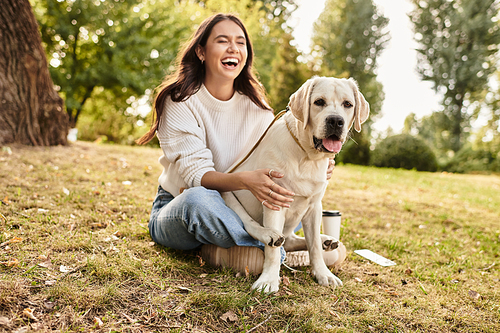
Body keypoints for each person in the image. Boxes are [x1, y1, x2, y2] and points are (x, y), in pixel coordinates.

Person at [137, 13, 335, 258]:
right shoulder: (179, 100)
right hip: (182, 207)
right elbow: (196, 176)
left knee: (288, 203)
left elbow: (278, 158)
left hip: (245, 206)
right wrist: (245, 181)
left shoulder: (258, 107)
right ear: (201, 51)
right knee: (198, 200)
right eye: (222, 41)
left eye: (240, 42)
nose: (233, 48)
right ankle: (274, 251)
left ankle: (266, 243)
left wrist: (315, 159)